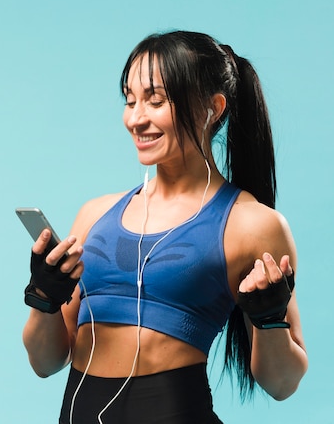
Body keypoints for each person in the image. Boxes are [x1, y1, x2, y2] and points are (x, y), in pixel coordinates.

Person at [21, 31, 308, 424]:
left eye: (155, 101)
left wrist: (270, 319)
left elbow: (282, 384)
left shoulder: (252, 224)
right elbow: (45, 361)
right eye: (130, 99)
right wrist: (44, 297)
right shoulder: (94, 215)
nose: (136, 118)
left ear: (213, 108)